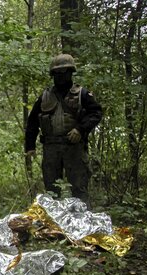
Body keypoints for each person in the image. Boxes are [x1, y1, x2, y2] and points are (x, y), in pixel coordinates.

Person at [24, 53, 103, 205]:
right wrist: (30, 146)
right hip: (51, 148)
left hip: (74, 147)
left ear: (71, 72)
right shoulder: (45, 96)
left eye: (64, 72)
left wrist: (80, 129)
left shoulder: (82, 94)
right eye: (57, 73)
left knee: (79, 190)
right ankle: (52, 225)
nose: (60, 76)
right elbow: (33, 122)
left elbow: (96, 113)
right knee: (52, 191)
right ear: (52, 74)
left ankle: (82, 223)